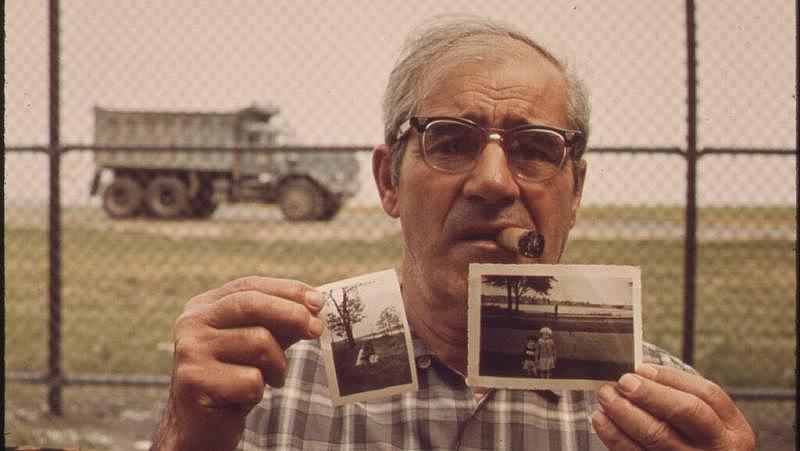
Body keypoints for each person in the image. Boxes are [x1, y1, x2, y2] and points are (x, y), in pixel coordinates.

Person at [150, 17, 755, 451]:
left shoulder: (657, 418)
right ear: (388, 180)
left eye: (535, 150)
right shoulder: (267, 384)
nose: (492, 182)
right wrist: (186, 438)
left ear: (575, 195)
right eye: (450, 142)